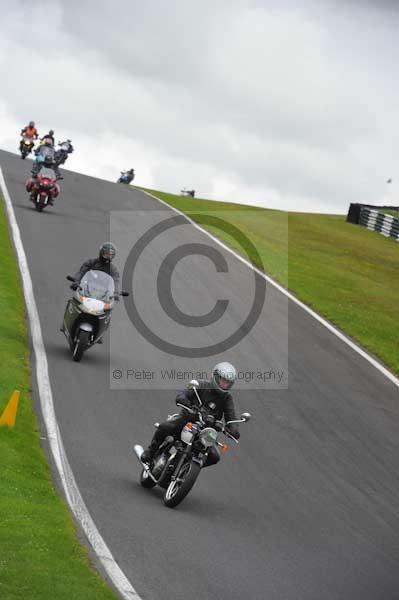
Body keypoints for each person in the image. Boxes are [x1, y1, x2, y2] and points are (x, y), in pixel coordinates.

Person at [140, 362, 241, 466]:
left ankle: (187, 469)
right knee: (165, 427)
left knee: (214, 457)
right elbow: (182, 396)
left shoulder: (227, 398)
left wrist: (233, 429)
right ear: (215, 377)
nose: (224, 384)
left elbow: (231, 417)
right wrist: (189, 406)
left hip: (205, 432)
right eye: (222, 380)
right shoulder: (200, 385)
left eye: (227, 383)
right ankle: (151, 451)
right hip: (186, 421)